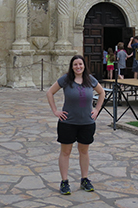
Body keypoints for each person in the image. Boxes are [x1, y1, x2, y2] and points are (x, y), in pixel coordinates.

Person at [46, 55, 105, 195]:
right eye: (75, 64)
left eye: (80, 64)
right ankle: (64, 181)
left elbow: (102, 92)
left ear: (84, 65)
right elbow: (50, 92)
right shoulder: (66, 80)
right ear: (72, 67)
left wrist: (97, 110)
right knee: (65, 152)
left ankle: (84, 179)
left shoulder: (90, 80)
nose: (78, 67)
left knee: (84, 151)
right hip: (68, 122)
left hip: (87, 123)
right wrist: (55, 111)